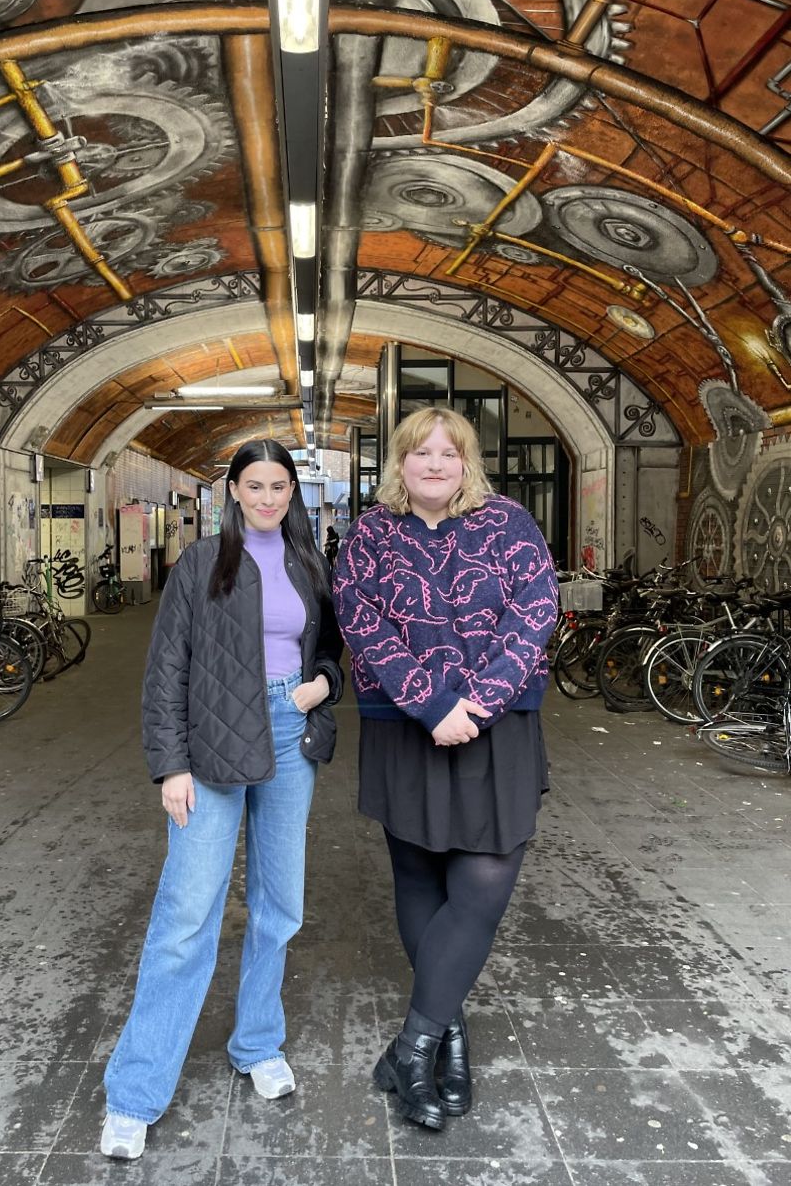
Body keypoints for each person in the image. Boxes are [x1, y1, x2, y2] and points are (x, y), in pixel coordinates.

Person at [101, 439, 344, 1159]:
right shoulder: (202, 563)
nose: (268, 497)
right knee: (187, 912)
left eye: (280, 486)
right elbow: (166, 668)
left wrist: (321, 686)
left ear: (292, 492)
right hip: (211, 742)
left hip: (289, 733)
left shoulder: (308, 563)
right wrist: (170, 765)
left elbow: (331, 648)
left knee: (280, 904)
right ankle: (135, 1091)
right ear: (233, 490)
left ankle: (258, 1041)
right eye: (255, 485)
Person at [332, 406, 558, 1131]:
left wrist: (479, 702)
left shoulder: (510, 524)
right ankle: (448, 1036)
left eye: (448, 452)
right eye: (420, 452)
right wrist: (431, 704)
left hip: (499, 726)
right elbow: (359, 620)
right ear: (400, 462)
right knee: (420, 876)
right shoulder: (371, 534)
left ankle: (412, 1044)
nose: (434, 463)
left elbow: (536, 610)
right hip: (405, 725)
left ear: (467, 462)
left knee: (482, 887)